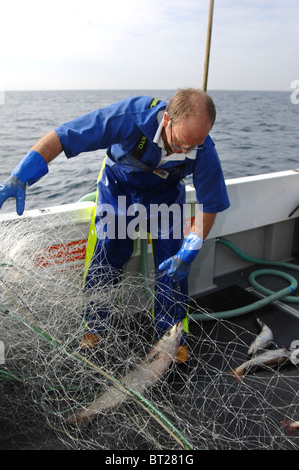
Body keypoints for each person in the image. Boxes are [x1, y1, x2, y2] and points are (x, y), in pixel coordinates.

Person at [0, 88, 230, 362]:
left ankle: (172, 334)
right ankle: (96, 327)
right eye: (180, 143)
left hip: (165, 194)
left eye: (194, 145)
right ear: (166, 120)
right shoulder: (130, 117)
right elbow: (64, 136)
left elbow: (211, 203)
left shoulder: (202, 147)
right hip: (119, 186)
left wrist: (192, 247)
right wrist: (21, 175)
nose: (187, 151)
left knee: (174, 261)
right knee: (108, 251)